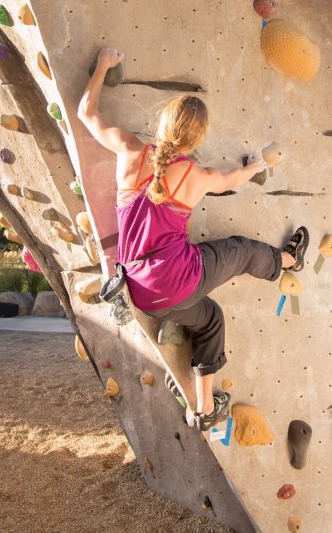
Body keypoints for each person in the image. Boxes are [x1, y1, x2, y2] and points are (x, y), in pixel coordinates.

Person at [77, 47, 308, 430]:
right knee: (241, 251)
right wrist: (255, 167)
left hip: (142, 294)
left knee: (211, 317)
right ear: (198, 137)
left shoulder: (130, 151)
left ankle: (204, 410)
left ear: (164, 123)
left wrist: (102, 64)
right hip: (183, 279)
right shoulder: (196, 176)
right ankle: (288, 262)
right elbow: (234, 179)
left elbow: (87, 113)